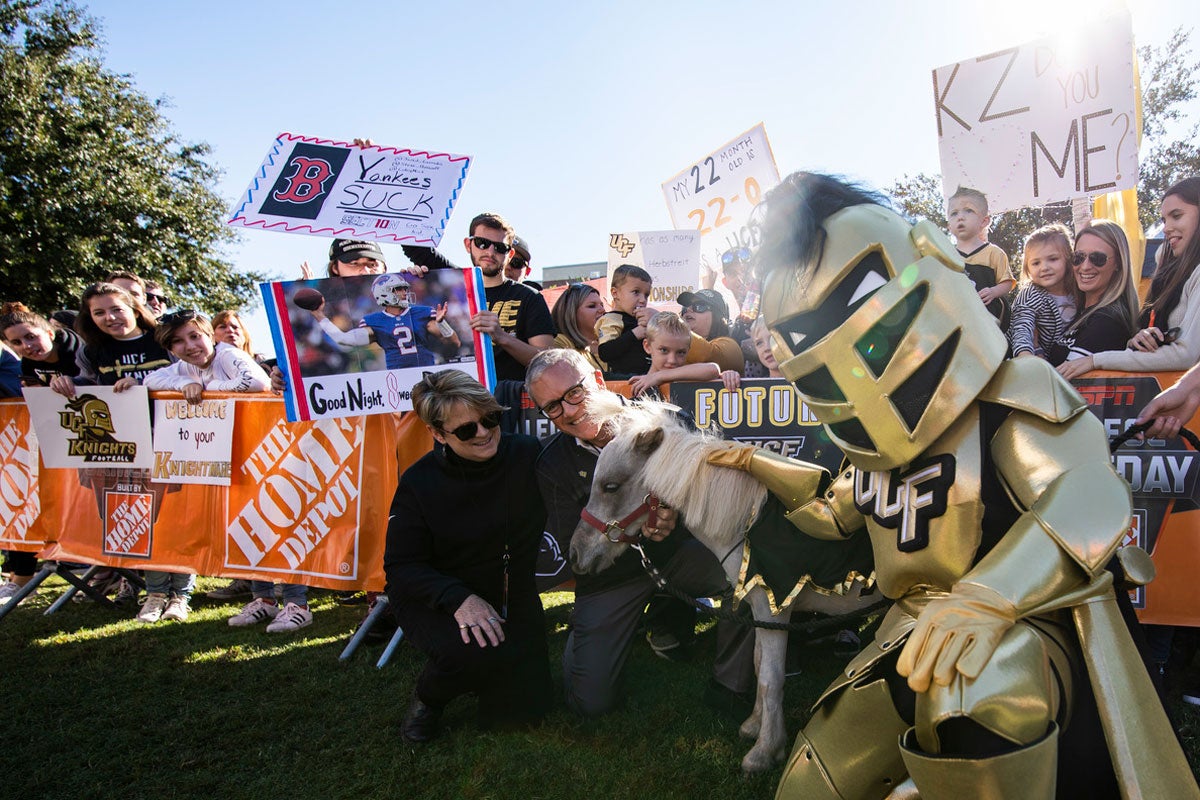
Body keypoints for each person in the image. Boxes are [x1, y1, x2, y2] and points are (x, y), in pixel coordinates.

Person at [713, 171, 1189, 799]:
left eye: (858, 302)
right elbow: (831, 514)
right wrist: (751, 465)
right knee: (810, 783)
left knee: (977, 686)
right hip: (909, 635)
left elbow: (1089, 498)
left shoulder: (1015, 390)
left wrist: (992, 595)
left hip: (1030, 625)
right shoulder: (874, 455)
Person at [526, 348, 755, 717]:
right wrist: (640, 531)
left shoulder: (667, 422)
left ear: (597, 381)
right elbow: (582, 557)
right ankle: (604, 634)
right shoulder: (552, 462)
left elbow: (717, 503)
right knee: (591, 702)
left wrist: (672, 518)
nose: (568, 410)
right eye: (552, 406)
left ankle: (730, 684)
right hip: (613, 580)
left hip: (681, 555)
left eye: (573, 393)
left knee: (746, 572)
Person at [384, 370, 551, 741]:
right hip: (436, 595)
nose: (483, 432)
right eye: (465, 430)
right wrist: (458, 599)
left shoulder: (527, 453)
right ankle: (428, 699)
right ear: (438, 434)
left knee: (525, 713)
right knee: (471, 655)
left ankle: (488, 671)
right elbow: (401, 567)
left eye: (489, 418)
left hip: (508, 590)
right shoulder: (419, 482)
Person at [139, 310, 272, 622]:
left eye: (194, 336)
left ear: (210, 335)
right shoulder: (183, 367)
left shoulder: (226, 355)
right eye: (178, 342)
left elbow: (258, 381)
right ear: (170, 349)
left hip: (254, 452)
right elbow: (150, 379)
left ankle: (277, 596)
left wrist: (206, 391)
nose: (190, 346)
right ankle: (259, 596)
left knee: (257, 524)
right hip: (219, 458)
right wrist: (184, 381)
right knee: (237, 528)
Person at [0, 303, 87, 606]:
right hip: (57, 441)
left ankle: (103, 570)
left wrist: (75, 384)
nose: (27, 346)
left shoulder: (79, 350)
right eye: (17, 342)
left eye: (31, 337)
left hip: (96, 438)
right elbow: (33, 392)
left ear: (49, 332)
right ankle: (20, 575)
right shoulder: (27, 363)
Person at [1083, 177, 1200, 373]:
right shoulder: (1167, 270)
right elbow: (1149, 337)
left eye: (1177, 216)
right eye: (1164, 220)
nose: (1167, 228)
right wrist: (1138, 341)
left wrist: (1095, 360)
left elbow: (1187, 354)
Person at [306, 273, 460, 369]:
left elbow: (454, 343)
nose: (404, 292)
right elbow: (344, 339)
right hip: (397, 380)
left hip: (427, 373)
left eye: (404, 288)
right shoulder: (375, 321)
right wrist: (319, 315)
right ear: (384, 293)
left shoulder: (421, 313)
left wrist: (442, 323)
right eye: (398, 289)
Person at [1053, 220, 1140, 379]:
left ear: (1118, 264)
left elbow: (1060, 386)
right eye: (1078, 257)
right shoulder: (1081, 312)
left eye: (1097, 258)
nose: (1085, 266)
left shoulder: (1107, 322)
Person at [629, 311, 739, 398]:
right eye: (664, 350)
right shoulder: (636, 385)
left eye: (680, 352)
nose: (672, 360)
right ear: (647, 346)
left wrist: (659, 376)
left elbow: (713, 369)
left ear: (688, 350)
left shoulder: (686, 378)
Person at [1008, 224, 1077, 360]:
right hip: (1032, 362)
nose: (1044, 267)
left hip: (1063, 361)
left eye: (1053, 259)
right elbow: (1022, 326)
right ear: (1027, 267)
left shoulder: (1076, 292)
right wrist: (1025, 354)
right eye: (1036, 263)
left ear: (1068, 258)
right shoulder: (1031, 294)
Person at [947, 185, 1014, 323]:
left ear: (984, 221)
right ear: (949, 225)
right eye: (954, 213)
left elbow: (1007, 283)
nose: (960, 217)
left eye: (968, 211)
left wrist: (993, 292)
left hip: (988, 321)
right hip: (957, 319)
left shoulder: (994, 253)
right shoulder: (946, 254)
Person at [595, 263, 654, 376]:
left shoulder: (643, 319)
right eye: (636, 292)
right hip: (623, 382)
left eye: (646, 295)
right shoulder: (611, 319)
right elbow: (605, 352)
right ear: (615, 293)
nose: (642, 300)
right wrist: (634, 334)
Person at [720, 246, 768, 377]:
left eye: (745, 271)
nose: (741, 277)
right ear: (725, 282)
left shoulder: (774, 312)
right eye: (733, 274)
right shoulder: (736, 327)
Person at [675, 289, 745, 374]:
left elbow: (706, 356)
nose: (688, 310)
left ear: (717, 316)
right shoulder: (673, 350)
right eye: (684, 309)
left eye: (699, 306)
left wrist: (668, 323)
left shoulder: (730, 347)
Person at [550, 282, 608, 373]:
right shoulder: (561, 342)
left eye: (602, 305)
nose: (602, 310)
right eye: (592, 306)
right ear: (571, 313)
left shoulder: (612, 340)